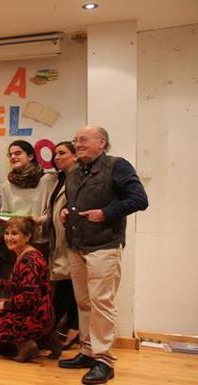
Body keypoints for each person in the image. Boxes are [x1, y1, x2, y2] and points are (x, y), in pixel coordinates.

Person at [59, 126, 148, 385]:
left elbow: (140, 199)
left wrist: (106, 213)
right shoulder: (74, 172)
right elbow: (76, 201)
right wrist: (66, 211)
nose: (77, 144)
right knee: (84, 303)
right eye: (75, 140)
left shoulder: (118, 166)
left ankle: (104, 361)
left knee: (102, 303)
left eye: (83, 140)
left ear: (101, 142)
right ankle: (87, 352)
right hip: (77, 245)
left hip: (104, 246)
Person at [0, 217, 60, 363]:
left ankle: (26, 344)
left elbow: (29, 297)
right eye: (7, 233)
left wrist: (4, 304)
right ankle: (46, 340)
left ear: (27, 236)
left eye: (14, 234)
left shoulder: (29, 260)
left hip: (35, 315)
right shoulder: (25, 254)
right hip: (35, 311)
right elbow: (18, 287)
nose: (9, 238)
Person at [44, 141, 80, 349]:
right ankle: (64, 328)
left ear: (75, 156)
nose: (57, 157)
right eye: (55, 153)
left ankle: (72, 328)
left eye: (62, 153)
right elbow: (53, 212)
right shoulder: (59, 179)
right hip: (58, 238)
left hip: (71, 240)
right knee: (65, 284)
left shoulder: (78, 178)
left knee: (70, 286)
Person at [0, 140, 56, 257]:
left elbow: (54, 211)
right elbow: (5, 213)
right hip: (16, 242)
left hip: (40, 240)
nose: (13, 157)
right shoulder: (7, 185)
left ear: (30, 156)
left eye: (18, 153)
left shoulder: (47, 180)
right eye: (10, 155)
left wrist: (41, 219)